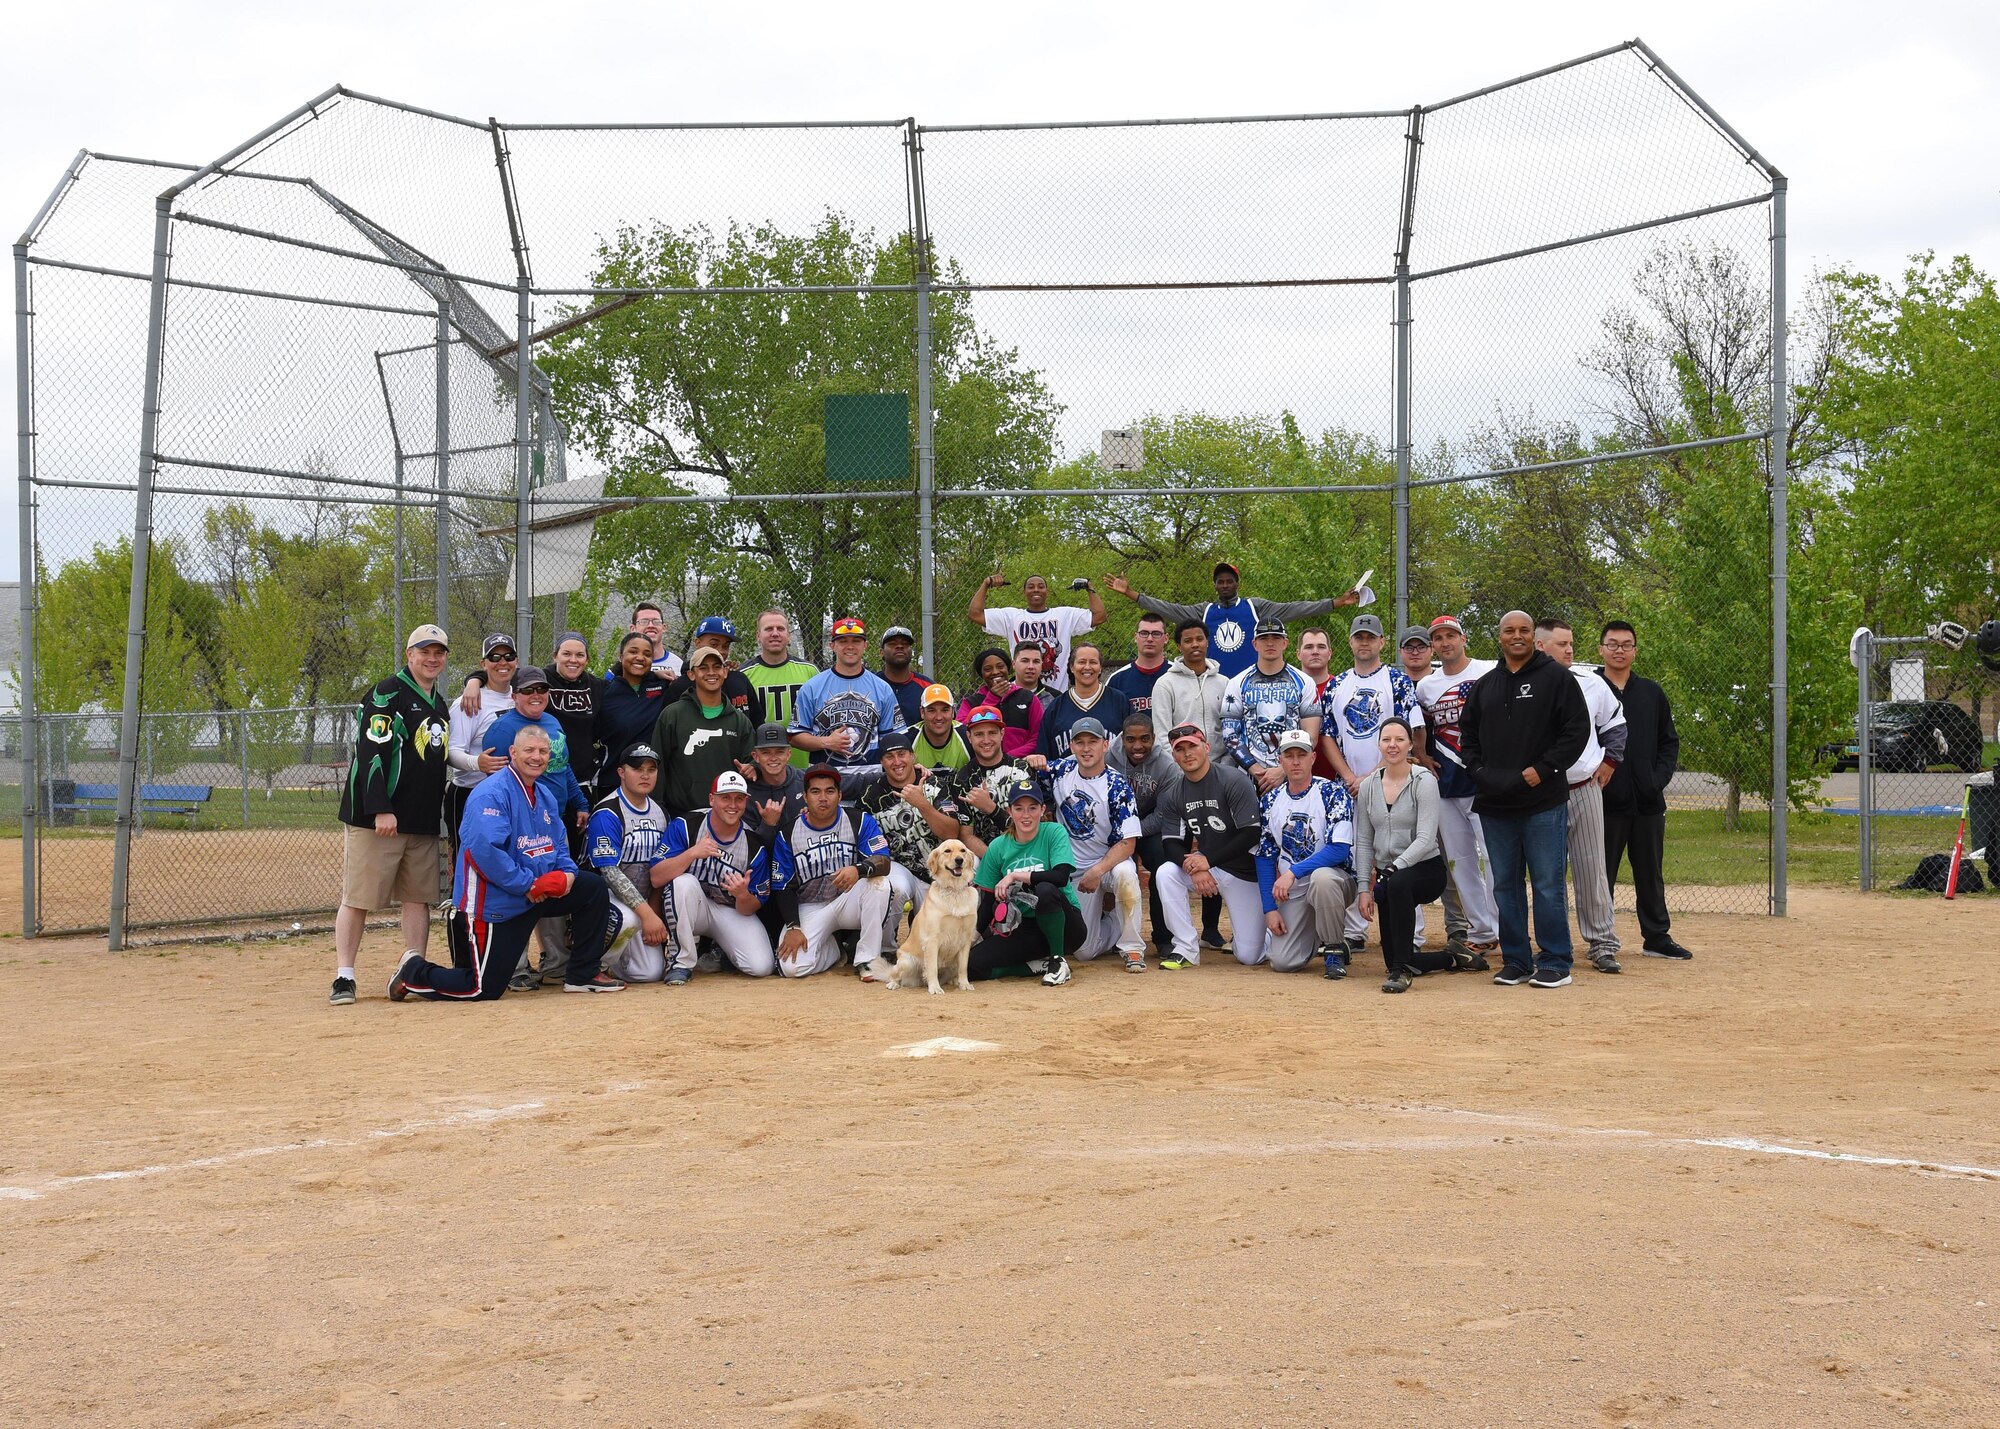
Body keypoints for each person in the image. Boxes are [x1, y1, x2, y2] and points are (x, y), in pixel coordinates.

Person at [389, 727, 623, 1001]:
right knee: (483, 988)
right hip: (496, 902)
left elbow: (559, 845)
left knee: (591, 887)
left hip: (536, 892)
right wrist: (528, 884)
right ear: (513, 753)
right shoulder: (492, 793)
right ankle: (412, 970)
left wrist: (568, 875)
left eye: (543, 752)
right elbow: (485, 852)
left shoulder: (545, 795)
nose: (536, 757)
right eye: (529, 750)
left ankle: (582, 974)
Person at [1460, 610, 1590, 989]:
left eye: (1524, 630)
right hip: (1495, 803)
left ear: (1534, 637)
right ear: (1499, 637)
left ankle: (1554, 960)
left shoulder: (1556, 679)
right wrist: (1479, 772)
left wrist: (1544, 769)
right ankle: (1516, 959)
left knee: (1548, 883)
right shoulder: (1486, 685)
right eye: (1509, 631)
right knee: (1505, 885)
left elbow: (1576, 731)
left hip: (1542, 801)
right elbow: (1467, 739)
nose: (1516, 636)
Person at [331, 623, 454, 1006]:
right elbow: (372, 751)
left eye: (439, 652)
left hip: (420, 818)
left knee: (417, 898)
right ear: (409, 655)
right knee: (359, 897)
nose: (432, 659)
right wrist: (381, 808)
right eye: (424, 651)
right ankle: (344, 976)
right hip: (379, 820)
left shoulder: (438, 701)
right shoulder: (388, 692)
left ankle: (413, 970)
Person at [1319, 613, 1427, 960]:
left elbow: (1409, 731)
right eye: (1358, 637)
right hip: (1348, 784)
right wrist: (1350, 777)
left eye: (1371, 637)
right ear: (1350, 642)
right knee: (1354, 855)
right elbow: (1328, 737)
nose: (1364, 643)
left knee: (1399, 853)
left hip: (1392, 779)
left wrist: (1374, 775)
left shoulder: (1395, 679)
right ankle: (1355, 932)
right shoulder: (1337, 685)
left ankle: (1413, 935)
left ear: (1381, 642)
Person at [1352, 718, 1486, 992]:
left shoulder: (1423, 780)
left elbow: (1426, 838)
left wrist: (1392, 869)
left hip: (1425, 869)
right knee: (1395, 958)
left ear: (1411, 744)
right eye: (1386, 739)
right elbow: (1364, 840)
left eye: (1400, 739)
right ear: (1378, 744)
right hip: (1390, 876)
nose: (1393, 745)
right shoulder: (1368, 787)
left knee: (1398, 883)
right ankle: (1451, 957)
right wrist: (1364, 887)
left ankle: (1402, 974)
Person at [483, 664, 595, 991]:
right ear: (514, 694)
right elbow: (494, 779)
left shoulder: (552, 723)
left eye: (541, 690)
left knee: (553, 886)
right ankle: (516, 967)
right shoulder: (503, 730)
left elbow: (564, 768)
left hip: (553, 819)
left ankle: (556, 963)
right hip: (519, 824)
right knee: (520, 890)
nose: (536, 695)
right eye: (528, 690)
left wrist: (580, 802)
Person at [1535, 617, 1630, 976]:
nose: (1571, 649)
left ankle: (1603, 943)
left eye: (1572, 643)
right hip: (1542, 793)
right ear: (1541, 646)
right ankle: (1553, 946)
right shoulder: (1526, 684)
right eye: (1563, 644)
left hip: (1583, 788)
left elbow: (1616, 725)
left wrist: (1609, 762)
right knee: (1547, 875)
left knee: (1592, 868)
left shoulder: (1591, 683)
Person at [1597, 620, 1692, 960]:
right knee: (1600, 875)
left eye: (1626, 644)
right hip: (1604, 801)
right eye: (1612, 644)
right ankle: (1601, 940)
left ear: (1635, 650)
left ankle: (1656, 937)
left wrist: (1656, 780)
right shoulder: (1589, 688)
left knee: (1650, 873)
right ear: (1601, 649)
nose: (1619, 650)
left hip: (1647, 802)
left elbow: (1669, 742)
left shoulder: (1651, 692)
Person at [1412, 614, 1501, 965]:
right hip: (1447, 784)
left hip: (1485, 782)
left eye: (1451, 635)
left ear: (1464, 639)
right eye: (1439, 638)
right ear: (1433, 646)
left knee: (1495, 860)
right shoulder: (1427, 687)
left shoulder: (1488, 671)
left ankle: (1506, 929)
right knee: (1461, 862)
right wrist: (1421, 755)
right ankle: (1481, 933)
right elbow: (1423, 730)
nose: (1445, 642)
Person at [1105, 562, 1361, 679]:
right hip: (1214, 684)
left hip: (1252, 683)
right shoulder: (1204, 612)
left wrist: (1336, 602)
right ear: (1215, 585)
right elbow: (1169, 609)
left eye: (1229, 580)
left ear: (1237, 584)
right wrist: (1131, 594)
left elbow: (1297, 609)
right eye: (1220, 581)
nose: (1225, 584)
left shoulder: (1255, 607)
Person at [1153, 723, 1265, 968]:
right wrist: (1195, 866)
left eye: (1192, 746)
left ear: (1206, 747)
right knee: (1166, 873)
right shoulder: (1175, 793)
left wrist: (1207, 860)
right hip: (1210, 865)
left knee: (1249, 956)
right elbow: (1171, 843)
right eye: (1179, 749)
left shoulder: (1233, 779)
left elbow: (1251, 834)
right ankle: (1185, 948)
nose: (1187, 754)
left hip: (1243, 872)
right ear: (1173, 756)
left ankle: (1261, 933)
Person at [838, 728, 960, 951]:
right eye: (889, 756)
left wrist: (922, 803)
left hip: (936, 871)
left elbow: (951, 833)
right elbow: (861, 841)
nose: (897, 762)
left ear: (913, 757)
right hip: (898, 867)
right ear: (882, 762)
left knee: (941, 947)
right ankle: (885, 948)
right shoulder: (871, 796)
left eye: (902, 754)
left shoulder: (934, 786)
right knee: (888, 885)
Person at [653, 770, 780, 982]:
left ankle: (723, 952)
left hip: (729, 910)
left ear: (745, 802)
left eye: (739, 799)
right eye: (725, 798)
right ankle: (680, 962)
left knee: (761, 966)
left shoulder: (753, 844)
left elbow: (750, 907)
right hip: (693, 906)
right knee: (683, 883)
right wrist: (692, 853)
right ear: (712, 799)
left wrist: (742, 895)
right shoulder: (688, 825)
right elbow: (656, 877)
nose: (732, 804)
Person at [1148, 620, 1229, 950]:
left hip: (1219, 776)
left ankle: (1211, 928)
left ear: (1208, 642)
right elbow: (1161, 733)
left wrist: (1215, 770)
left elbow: (1228, 729)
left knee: (1215, 848)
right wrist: (1186, 770)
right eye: (1187, 640)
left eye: (1200, 639)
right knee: (1177, 850)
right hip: (1179, 780)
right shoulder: (1165, 684)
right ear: (1177, 646)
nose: (1194, 644)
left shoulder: (1224, 682)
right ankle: (1171, 935)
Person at [769, 766, 893, 978]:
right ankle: (834, 951)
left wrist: (858, 869)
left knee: (879, 884)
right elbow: (782, 886)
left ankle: (867, 958)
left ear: (840, 795)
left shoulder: (858, 820)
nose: (823, 798)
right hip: (810, 907)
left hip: (849, 901)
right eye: (816, 792)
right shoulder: (788, 833)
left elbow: (884, 861)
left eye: (830, 791)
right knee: (791, 968)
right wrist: (793, 926)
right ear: (805, 797)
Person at [1043, 718, 1147, 972]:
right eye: (1080, 742)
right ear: (1071, 746)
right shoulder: (1060, 772)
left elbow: (1128, 843)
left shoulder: (1116, 784)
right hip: (1073, 869)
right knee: (1085, 951)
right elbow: (1025, 773)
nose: (1086, 748)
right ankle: (1112, 921)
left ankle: (1132, 947)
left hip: (1107, 864)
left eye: (1093, 742)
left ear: (1105, 745)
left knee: (1126, 873)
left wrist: (1098, 871)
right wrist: (1033, 761)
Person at [1254, 729, 1360, 975]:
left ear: (1313, 758)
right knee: (1283, 962)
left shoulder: (1332, 793)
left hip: (1335, 882)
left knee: (1322, 879)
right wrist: (1270, 909)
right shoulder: (1270, 801)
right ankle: (1318, 934)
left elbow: (1339, 850)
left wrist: (1292, 873)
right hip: (1295, 893)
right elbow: (1265, 855)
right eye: (1288, 755)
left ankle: (1333, 949)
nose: (1295, 761)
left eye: (1301, 755)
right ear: (1280, 760)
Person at [969, 778, 1086, 985]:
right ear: (1009, 811)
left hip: (1067, 926)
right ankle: (1036, 966)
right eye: (1019, 808)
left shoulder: (1053, 832)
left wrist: (1015, 875)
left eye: (1032, 808)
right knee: (971, 964)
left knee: (1045, 889)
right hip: (1028, 927)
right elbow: (987, 903)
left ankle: (1058, 961)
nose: (1026, 815)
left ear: (1042, 810)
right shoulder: (998, 846)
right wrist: (969, 941)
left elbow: (1059, 877)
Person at [585, 742, 675, 983]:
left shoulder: (660, 813)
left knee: (649, 973)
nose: (645, 775)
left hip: (641, 904)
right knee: (628, 919)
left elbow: (660, 867)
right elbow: (610, 873)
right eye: (637, 769)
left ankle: (619, 960)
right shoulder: (607, 813)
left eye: (651, 769)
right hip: (605, 900)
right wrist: (646, 914)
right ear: (621, 773)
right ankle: (591, 964)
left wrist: (654, 909)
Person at [790, 616, 903, 778]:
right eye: (843, 641)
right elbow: (795, 736)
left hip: (870, 777)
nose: (850, 647)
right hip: (825, 778)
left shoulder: (882, 688)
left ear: (865, 646)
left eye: (856, 641)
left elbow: (893, 739)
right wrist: (827, 742)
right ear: (832, 646)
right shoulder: (812, 687)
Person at [1220, 618, 1322, 793]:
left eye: (1275, 637)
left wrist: (1283, 770)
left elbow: (1311, 736)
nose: (1270, 643)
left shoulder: (1305, 682)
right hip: (1250, 776)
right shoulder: (1237, 683)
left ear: (1285, 643)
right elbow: (1230, 734)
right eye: (1264, 638)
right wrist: (1254, 769)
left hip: (1294, 776)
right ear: (1254, 644)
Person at [653, 646, 757, 818]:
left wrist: (753, 768)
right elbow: (658, 766)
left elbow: (751, 764)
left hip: (726, 816)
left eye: (716, 667)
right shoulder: (672, 715)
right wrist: (658, 810)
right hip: (681, 814)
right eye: (703, 668)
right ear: (691, 674)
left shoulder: (740, 721)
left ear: (725, 672)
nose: (711, 672)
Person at [1109, 712, 1178, 964]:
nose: (1138, 746)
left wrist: (1133, 831)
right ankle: (1114, 935)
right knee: (1118, 870)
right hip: (1115, 827)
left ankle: (1163, 938)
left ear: (1153, 738)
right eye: (1131, 740)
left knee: (1162, 865)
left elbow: (1164, 814)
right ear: (1122, 739)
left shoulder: (1167, 766)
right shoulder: (1108, 758)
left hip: (1149, 825)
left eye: (1144, 739)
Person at [968, 570, 1105, 694]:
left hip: (1056, 694)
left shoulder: (1064, 615)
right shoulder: (1011, 617)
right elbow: (975, 614)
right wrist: (986, 584)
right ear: (1024, 592)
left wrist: (1089, 588)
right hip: (1021, 695)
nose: (1036, 590)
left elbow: (1099, 616)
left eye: (1041, 586)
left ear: (1047, 591)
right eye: (1031, 587)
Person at [444, 633, 517, 853]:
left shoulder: (522, 696)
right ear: (483, 663)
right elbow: (450, 751)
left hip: (511, 795)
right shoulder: (469, 702)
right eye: (494, 657)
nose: (502, 662)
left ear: (517, 661)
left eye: (508, 656)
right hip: (471, 792)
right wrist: (478, 763)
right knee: (470, 866)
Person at [944, 706, 1035, 856]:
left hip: (1027, 850)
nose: (986, 740)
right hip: (984, 856)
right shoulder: (961, 780)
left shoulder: (1022, 770)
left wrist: (991, 808)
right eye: (979, 734)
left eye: (992, 733)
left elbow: (1032, 827)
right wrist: (995, 862)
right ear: (969, 737)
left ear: (1002, 734)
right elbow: (966, 836)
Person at [595, 631, 673, 800]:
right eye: (633, 652)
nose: (640, 657)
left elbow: (694, 677)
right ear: (621, 655)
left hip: (652, 783)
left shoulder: (663, 687)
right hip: (612, 782)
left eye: (647, 654)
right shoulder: (604, 692)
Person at [742, 609, 819, 770]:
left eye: (780, 629)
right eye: (769, 629)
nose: (775, 633)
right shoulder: (744, 675)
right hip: (761, 766)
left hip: (804, 763)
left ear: (789, 635)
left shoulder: (810, 671)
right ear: (758, 635)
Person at [662, 616, 766, 726]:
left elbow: (757, 723)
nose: (721, 651)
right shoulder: (680, 686)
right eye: (714, 644)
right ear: (697, 643)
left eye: (725, 646)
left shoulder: (739, 680)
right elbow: (667, 729)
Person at [1039, 642, 1132, 760]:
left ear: (1100, 668)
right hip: (1066, 777)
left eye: (1093, 662)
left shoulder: (1119, 701)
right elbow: (1044, 755)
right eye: (1082, 662)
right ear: (1072, 667)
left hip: (1111, 777)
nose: (1087, 667)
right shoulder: (1056, 707)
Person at [544, 633, 608, 800]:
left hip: (582, 777)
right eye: (566, 654)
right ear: (555, 656)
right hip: (545, 776)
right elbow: (503, 674)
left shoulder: (597, 686)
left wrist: (655, 676)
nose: (573, 660)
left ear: (587, 660)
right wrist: (474, 681)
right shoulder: (540, 680)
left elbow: (627, 683)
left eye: (580, 655)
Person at [744, 722, 808, 850]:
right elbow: (751, 852)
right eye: (766, 752)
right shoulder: (746, 794)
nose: (773, 758)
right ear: (756, 756)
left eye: (779, 752)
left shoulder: (807, 780)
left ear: (788, 754)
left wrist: (818, 815)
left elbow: (852, 783)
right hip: (766, 867)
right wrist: (767, 825)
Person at [1296, 626, 1343, 784]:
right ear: (1298, 654)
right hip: (1296, 778)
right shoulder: (1289, 690)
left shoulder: (1342, 689)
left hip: (1338, 777)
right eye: (1309, 647)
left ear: (1330, 653)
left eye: (1321, 647)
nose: (1315, 651)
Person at [1105, 612, 1172, 717]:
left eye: (1156, 634)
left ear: (1166, 638)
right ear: (1135, 637)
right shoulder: (1117, 680)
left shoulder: (1177, 673)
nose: (1150, 639)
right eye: (1144, 633)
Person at [912, 683, 971, 773]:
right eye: (932, 710)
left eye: (945, 710)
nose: (939, 717)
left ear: (953, 711)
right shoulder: (908, 740)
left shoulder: (967, 737)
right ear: (922, 712)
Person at [878, 625, 930, 725]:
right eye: (892, 644)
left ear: (911, 651)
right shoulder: (872, 685)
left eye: (905, 644)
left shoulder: (927, 687)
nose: (900, 646)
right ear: (881, 652)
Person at [629, 601, 683, 679]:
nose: (651, 625)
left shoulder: (678, 664)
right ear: (632, 628)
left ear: (664, 627)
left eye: (656, 622)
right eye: (644, 621)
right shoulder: (626, 665)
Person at [1397, 625, 1436, 691]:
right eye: (1409, 648)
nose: (1415, 653)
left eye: (1421, 647)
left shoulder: (1443, 682)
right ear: (1400, 652)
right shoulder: (1392, 685)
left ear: (1432, 650)